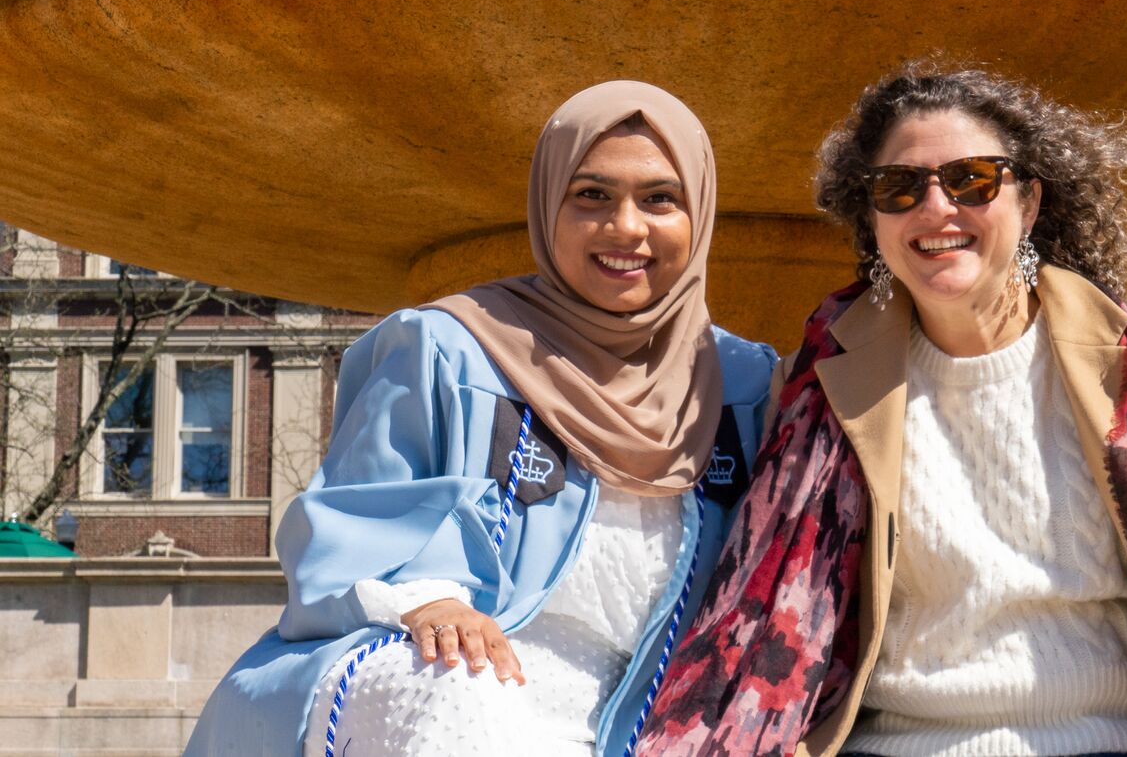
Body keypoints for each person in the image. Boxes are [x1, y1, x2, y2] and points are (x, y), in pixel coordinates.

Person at [638, 66, 1127, 756]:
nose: (936, 208)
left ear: (1028, 202)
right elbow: (745, 607)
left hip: (1119, 743)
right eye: (899, 188)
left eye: (971, 180)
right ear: (872, 218)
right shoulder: (816, 385)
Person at [184, 81, 776, 756]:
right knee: (453, 684)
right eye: (591, 196)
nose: (626, 228)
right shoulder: (448, 349)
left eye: (659, 199)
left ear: (699, 213)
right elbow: (352, 520)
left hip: (654, 718)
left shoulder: (745, 384)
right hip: (469, 694)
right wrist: (431, 602)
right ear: (546, 205)